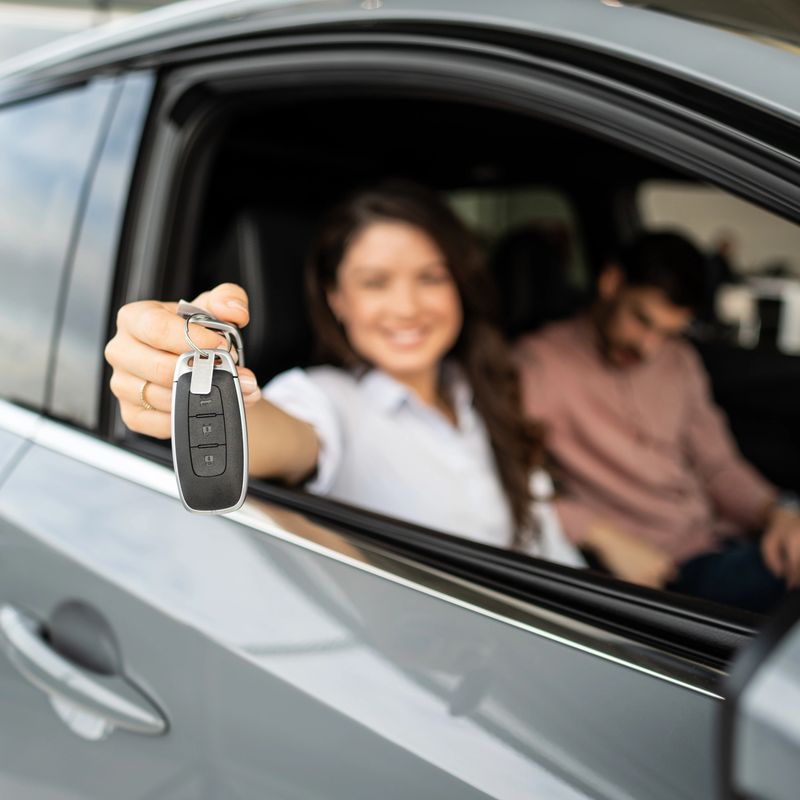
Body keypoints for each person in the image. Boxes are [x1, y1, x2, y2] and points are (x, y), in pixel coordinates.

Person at [105, 181, 584, 567]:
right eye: (375, 282)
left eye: (431, 277)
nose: (407, 307)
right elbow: (271, 434)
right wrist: (178, 379)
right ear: (337, 299)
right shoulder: (325, 400)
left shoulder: (483, 385)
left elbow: (545, 539)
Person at [514, 230, 800, 612]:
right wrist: (598, 534)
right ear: (611, 282)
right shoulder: (538, 366)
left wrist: (778, 512)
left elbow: (718, 466)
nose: (649, 348)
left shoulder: (679, 359)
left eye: (667, 332)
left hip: (724, 539)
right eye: (641, 320)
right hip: (665, 574)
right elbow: (503, 478)